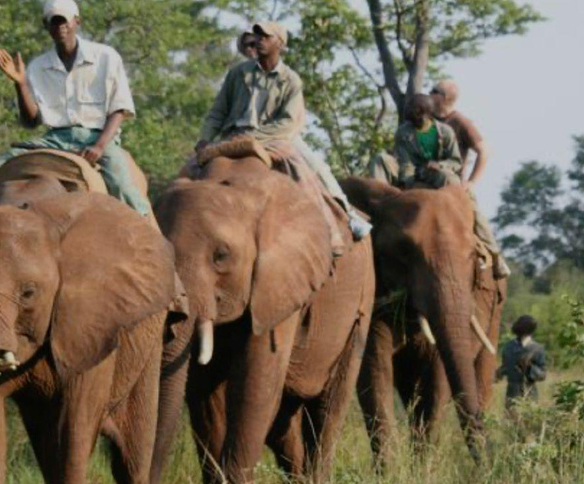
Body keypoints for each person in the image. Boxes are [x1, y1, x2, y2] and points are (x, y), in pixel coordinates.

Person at [0, 0, 151, 217]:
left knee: (122, 186)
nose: (60, 27)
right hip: (54, 139)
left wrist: (100, 146)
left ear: (76, 22)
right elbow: (31, 121)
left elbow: (119, 109)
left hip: (96, 137)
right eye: (53, 22)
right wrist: (20, 84)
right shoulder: (38, 67)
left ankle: (144, 230)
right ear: (46, 25)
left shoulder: (106, 57)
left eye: (63, 21)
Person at [196, 21, 371, 243]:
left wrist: (253, 139)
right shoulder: (237, 73)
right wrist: (205, 139)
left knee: (311, 168)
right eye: (255, 37)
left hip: (275, 138)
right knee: (192, 167)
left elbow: (288, 122)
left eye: (264, 37)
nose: (258, 41)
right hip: (233, 135)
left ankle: (341, 219)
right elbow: (218, 111)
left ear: (279, 43)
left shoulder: (291, 80)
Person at [394, 93, 511, 279]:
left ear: (426, 113)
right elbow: (405, 162)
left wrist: (441, 167)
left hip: (443, 176)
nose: (412, 116)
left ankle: (493, 252)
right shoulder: (404, 133)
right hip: (415, 177)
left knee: (465, 198)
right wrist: (407, 185)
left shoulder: (445, 131)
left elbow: (456, 160)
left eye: (416, 112)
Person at [496, 315, 547, 411]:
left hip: (530, 394)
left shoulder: (537, 349)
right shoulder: (508, 347)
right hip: (512, 394)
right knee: (512, 422)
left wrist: (530, 367)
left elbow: (542, 375)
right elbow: (505, 368)